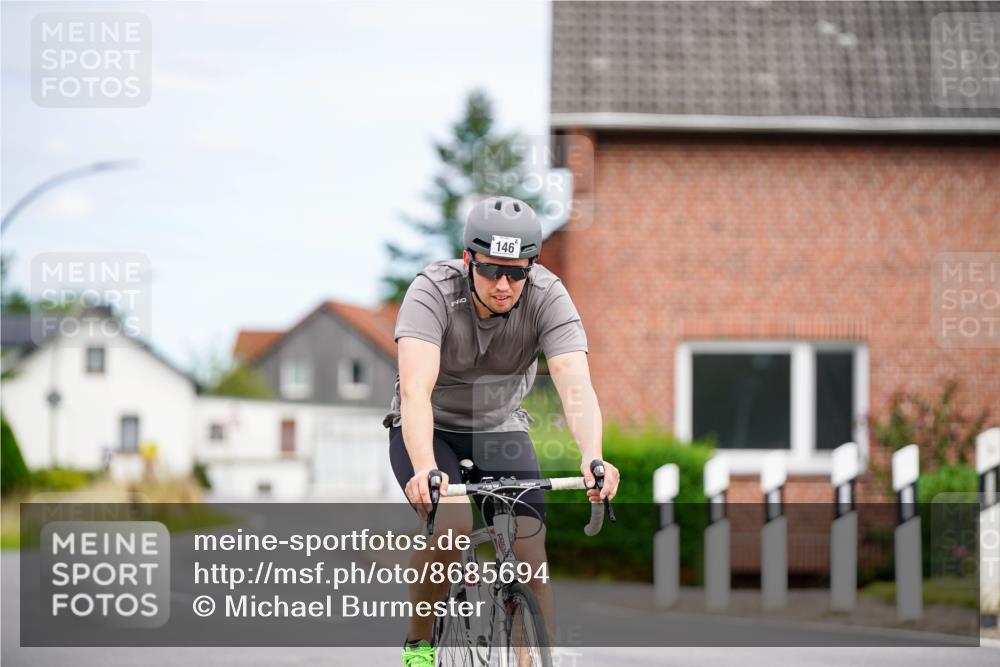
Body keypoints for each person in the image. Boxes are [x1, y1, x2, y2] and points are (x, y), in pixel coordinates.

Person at [384, 195, 620, 666]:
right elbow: (415, 390)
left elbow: (574, 382)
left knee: (530, 553)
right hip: (431, 426)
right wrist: (426, 468)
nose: (504, 285)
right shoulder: (433, 291)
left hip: (499, 426)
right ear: (468, 259)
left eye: (516, 273)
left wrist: (592, 455)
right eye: (491, 270)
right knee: (452, 527)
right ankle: (419, 642)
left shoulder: (547, 296)